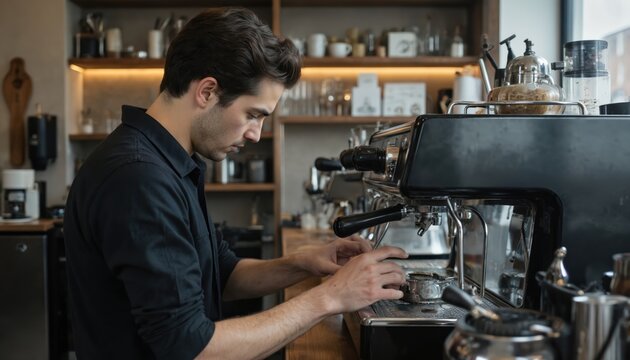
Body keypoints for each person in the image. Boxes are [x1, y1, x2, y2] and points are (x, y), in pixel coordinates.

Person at [64, 7, 407, 360]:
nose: (256, 134)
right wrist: (331, 297)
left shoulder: (168, 162)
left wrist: (304, 262)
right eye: (253, 115)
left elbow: (222, 273)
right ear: (208, 91)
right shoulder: (138, 178)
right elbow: (190, 347)